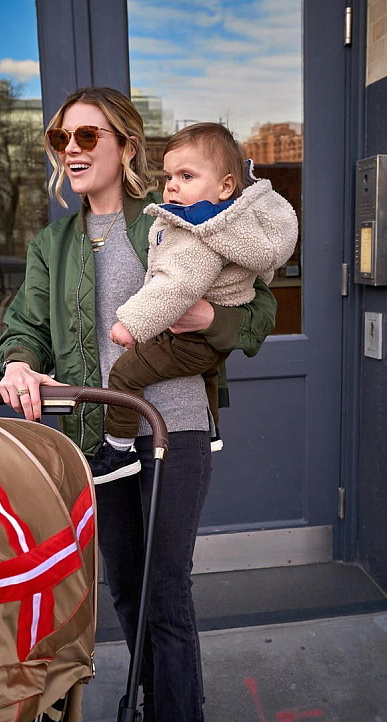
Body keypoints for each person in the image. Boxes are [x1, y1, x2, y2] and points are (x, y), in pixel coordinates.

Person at [0, 86, 278, 722]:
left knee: (166, 585)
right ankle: (154, 705)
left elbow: (259, 309)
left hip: (175, 427)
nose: (73, 149)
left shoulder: (174, 216)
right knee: (125, 584)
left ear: (125, 145)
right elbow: (24, 326)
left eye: (89, 136)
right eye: (62, 139)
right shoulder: (53, 244)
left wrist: (210, 316)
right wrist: (19, 363)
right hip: (99, 436)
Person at [88, 122, 298, 483]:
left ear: (226, 186)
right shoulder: (233, 227)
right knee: (209, 371)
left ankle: (118, 450)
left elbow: (174, 287)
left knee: (124, 373)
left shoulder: (199, 233)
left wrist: (131, 325)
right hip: (209, 346)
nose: (172, 185)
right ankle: (212, 429)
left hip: (188, 341)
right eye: (169, 176)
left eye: (186, 176)